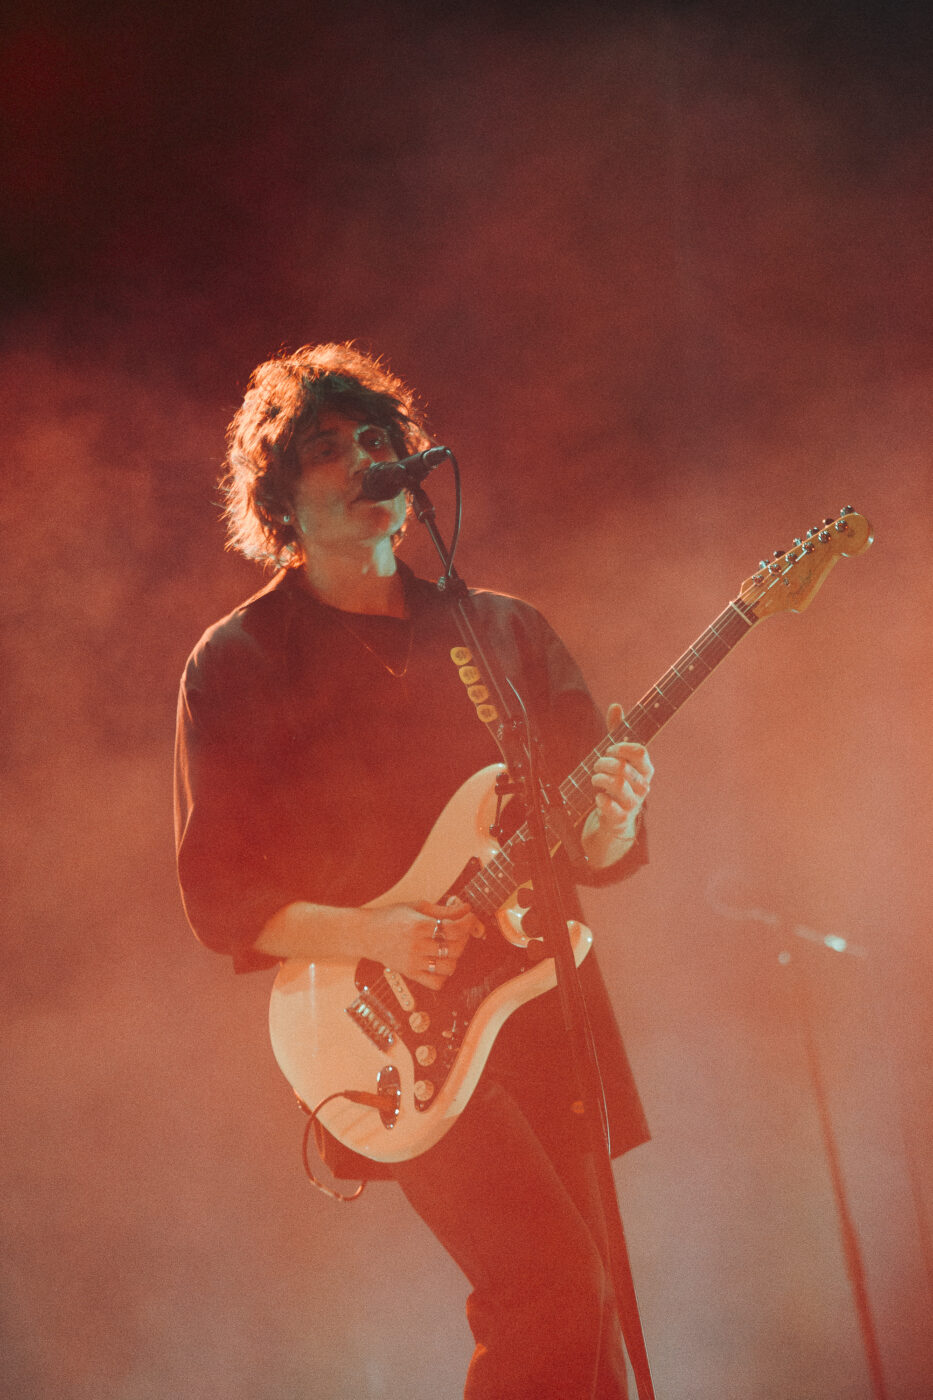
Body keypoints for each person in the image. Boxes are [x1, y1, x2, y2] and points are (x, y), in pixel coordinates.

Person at [174, 343, 654, 1399]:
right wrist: (378, 934)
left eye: (378, 438)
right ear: (280, 499)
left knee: (590, 1317)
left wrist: (614, 820)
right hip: (393, 1026)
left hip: (537, 1000)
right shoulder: (240, 659)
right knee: (551, 1289)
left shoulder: (502, 631)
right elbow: (218, 894)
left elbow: (589, 848)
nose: (364, 460)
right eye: (327, 448)